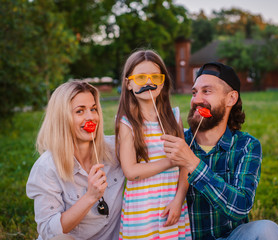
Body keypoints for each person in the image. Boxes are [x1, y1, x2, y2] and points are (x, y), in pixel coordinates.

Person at [161, 62, 278, 240]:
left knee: (268, 231)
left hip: (230, 236)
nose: (196, 100)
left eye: (207, 91)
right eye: (194, 92)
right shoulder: (178, 143)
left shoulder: (246, 145)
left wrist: (193, 163)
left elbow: (240, 207)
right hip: (184, 237)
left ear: (231, 99)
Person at [26, 81, 124, 240]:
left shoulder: (116, 150)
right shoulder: (47, 167)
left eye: (93, 109)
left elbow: (151, 147)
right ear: (62, 118)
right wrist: (90, 197)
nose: (91, 117)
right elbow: (48, 231)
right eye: (80, 111)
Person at [115, 49, 191, 239]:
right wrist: (170, 161)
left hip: (172, 204)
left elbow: (185, 166)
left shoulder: (174, 117)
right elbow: (131, 172)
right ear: (129, 84)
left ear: (162, 82)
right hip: (143, 208)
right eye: (141, 77)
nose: (149, 82)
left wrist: (179, 200)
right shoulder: (127, 123)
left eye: (155, 77)